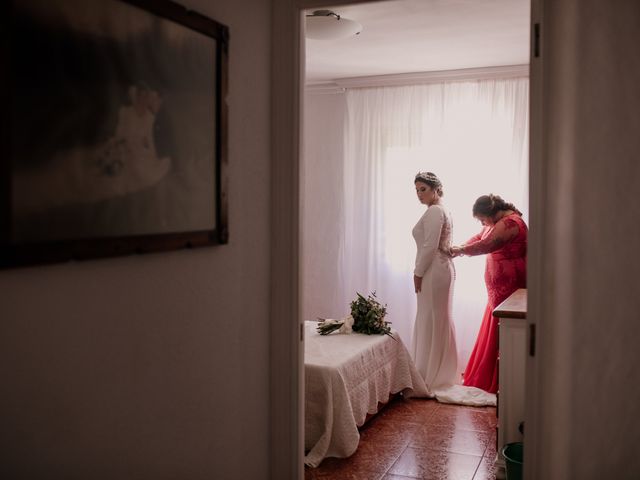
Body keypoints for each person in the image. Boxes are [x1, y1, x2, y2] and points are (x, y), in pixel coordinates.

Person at [450, 194, 528, 393]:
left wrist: (461, 250)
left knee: (503, 323)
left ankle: (499, 381)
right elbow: (480, 237)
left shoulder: (511, 223)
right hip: (498, 288)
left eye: (482, 219)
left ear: (492, 213)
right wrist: (459, 247)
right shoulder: (498, 221)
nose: (482, 223)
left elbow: (487, 244)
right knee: (495, 320)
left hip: (510, 284)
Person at [411, 171, 458, 394]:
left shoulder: (434, 212)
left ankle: (429, 377)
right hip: (443, 267)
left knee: (431, 317)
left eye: (423, 189)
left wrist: (418, 272)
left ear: (436, 189)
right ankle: (439, 374)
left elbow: (429, 246)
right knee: (437, 318)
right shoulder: (444, 210)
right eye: (417, 190)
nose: (419, 194)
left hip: (433, 270)